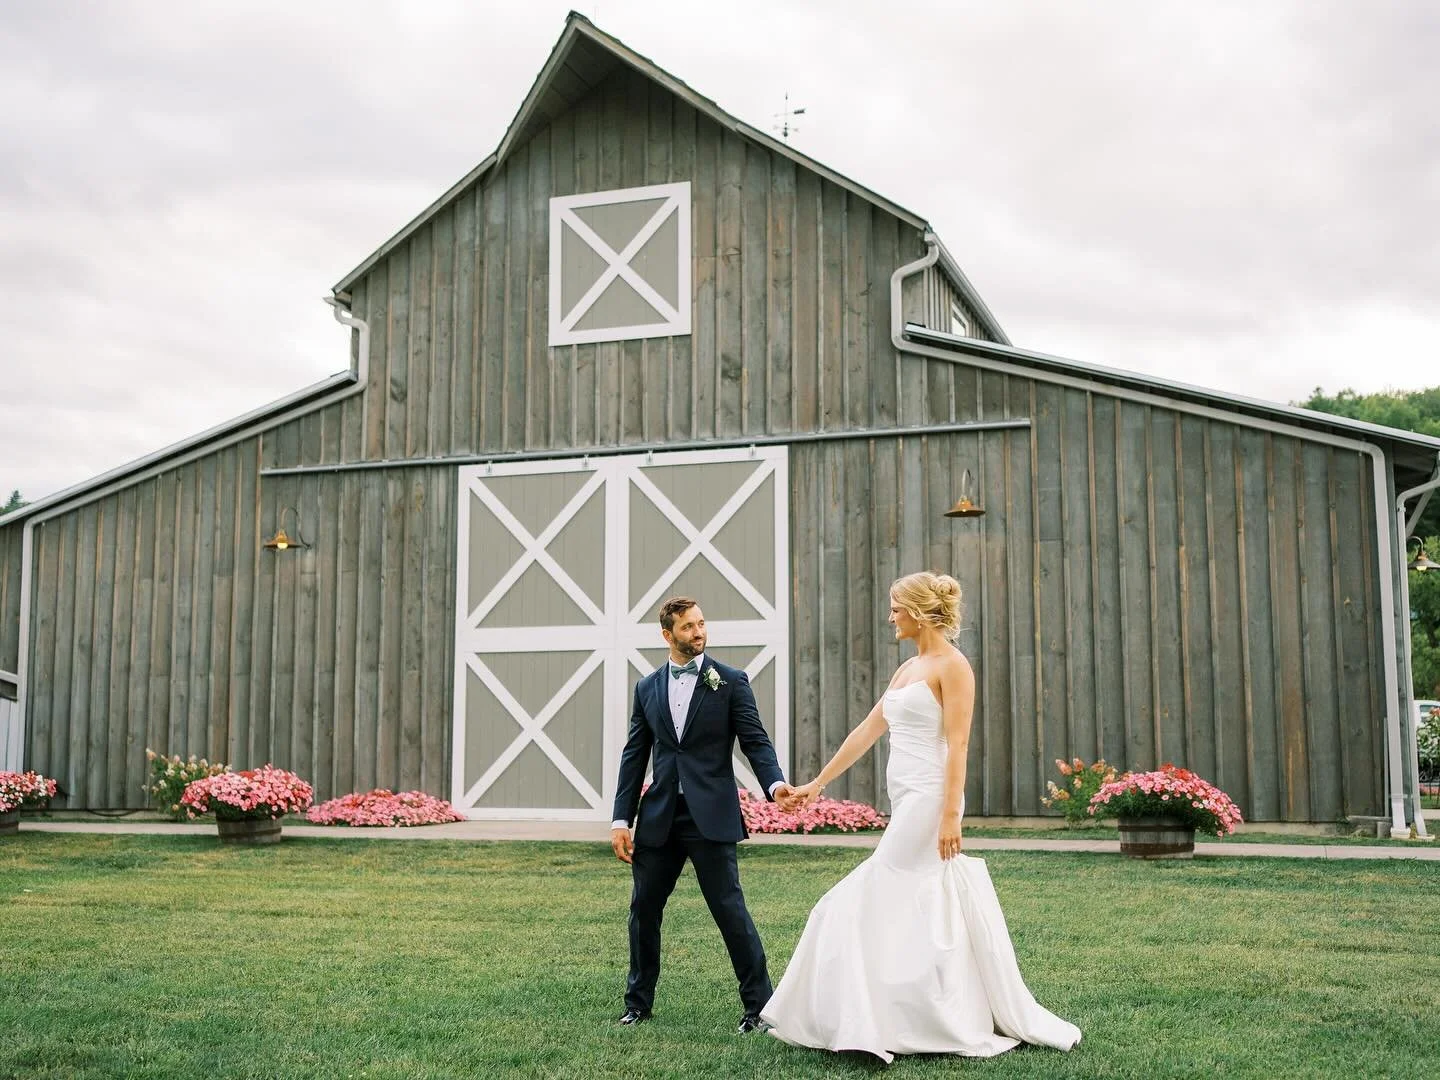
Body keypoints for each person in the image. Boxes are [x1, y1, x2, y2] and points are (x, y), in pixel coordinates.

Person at [762, 571, 1082, 1063]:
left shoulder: (954, 667)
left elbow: (958, 744)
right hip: (905, 793)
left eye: (895, 607)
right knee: (913, 904)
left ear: (915, 611)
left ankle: (873, 1020)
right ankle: (913, 1013)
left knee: (853, 899)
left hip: (930, 799)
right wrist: (817, 783)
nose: (890, 616)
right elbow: (868, 729)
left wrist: (952, 814)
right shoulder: (907, 669)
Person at [611, 596, 796, 1033]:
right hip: (659, 818)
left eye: (701, 623)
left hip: (710, 815)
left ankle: (759, 1009)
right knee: (643, 910)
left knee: (729, 909)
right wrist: (622, 819)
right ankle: (637, 1005)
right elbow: (634, 755)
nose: (698, 632)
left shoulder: (730, 682)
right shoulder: (646, 688)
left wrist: (775, 784)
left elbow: (755, 741)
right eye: (688, 627)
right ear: (667, 635)